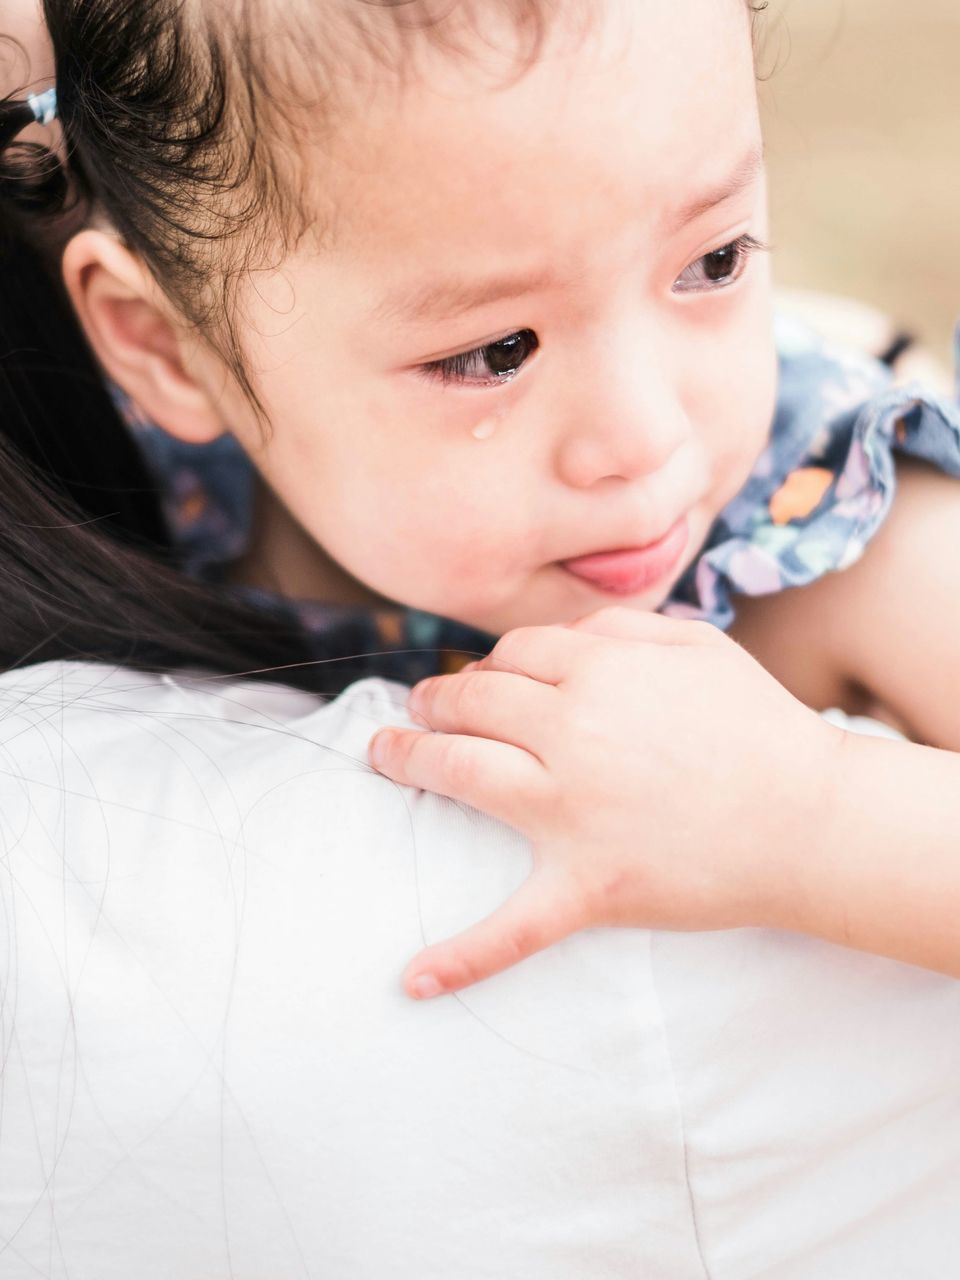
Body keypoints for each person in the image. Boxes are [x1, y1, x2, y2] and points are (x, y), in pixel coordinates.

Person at [1, 1, 960, 1270]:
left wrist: (814, 813)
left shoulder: (824, 524)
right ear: (162, 345)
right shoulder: (138, 526)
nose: (644, 436)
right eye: (496, 350)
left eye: (714, 261)